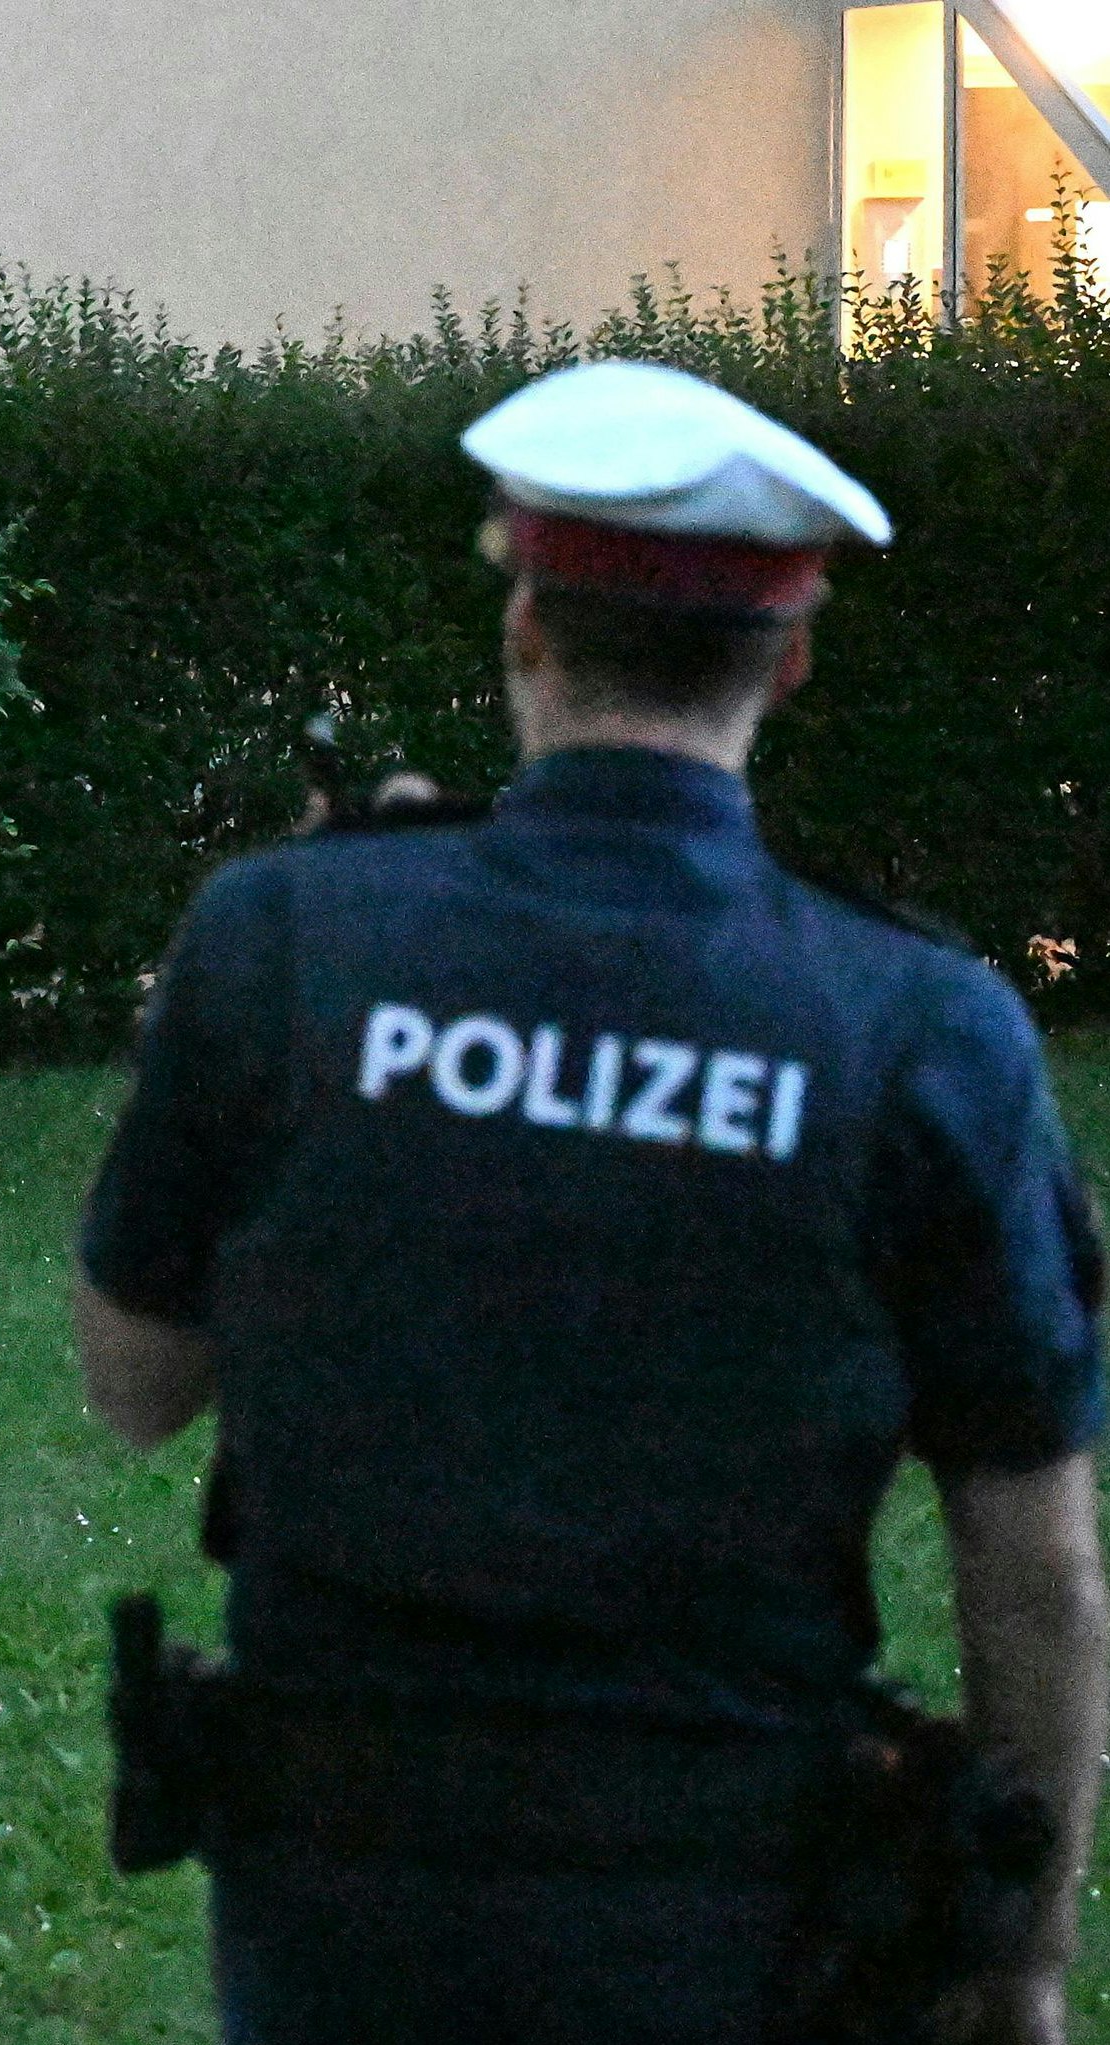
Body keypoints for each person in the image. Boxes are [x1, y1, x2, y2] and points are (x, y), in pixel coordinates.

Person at [76, 361, 1107, 2045]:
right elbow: (1036, 1559)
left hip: (342, 1892)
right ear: (791, 657)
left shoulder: (282, 940)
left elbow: (135, 1385)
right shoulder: (921, 1028)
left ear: (527, 630)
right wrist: (1023, 1951)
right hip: (727, 1904)